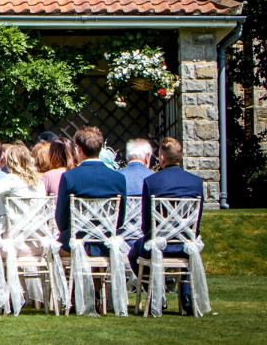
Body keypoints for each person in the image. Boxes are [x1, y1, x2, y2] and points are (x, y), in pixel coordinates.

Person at [128, 136, 204, 314]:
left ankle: (156, 294)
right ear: (180, 157)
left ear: (161, 158)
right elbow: (197, 220)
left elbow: (147, 223)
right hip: (185, 244)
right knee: (188, 251)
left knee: (133, 254)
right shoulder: (196, 182)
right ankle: (187, 299)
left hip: (158, 245)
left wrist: (151, 236)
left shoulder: (152, 182)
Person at [55, 126, 127, 255]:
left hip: (75, 243)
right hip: (106, 243)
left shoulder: (70, 177)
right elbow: (120, 219)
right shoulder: (118, 178)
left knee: (53, 250)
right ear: (100, 148)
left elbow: (61, 218)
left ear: (78, 148)